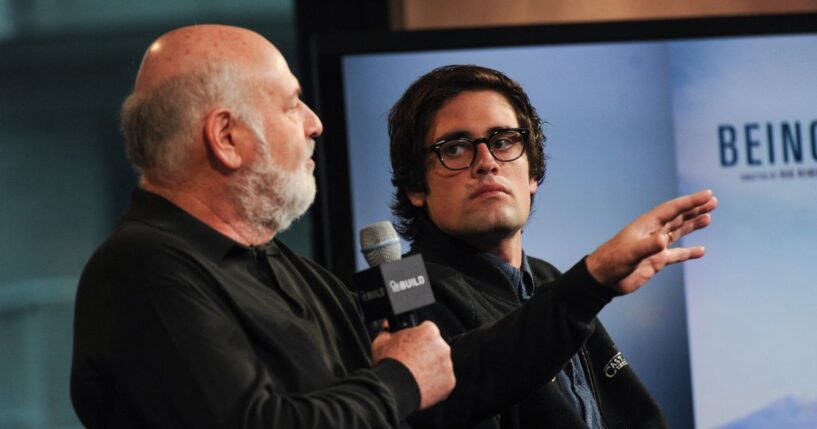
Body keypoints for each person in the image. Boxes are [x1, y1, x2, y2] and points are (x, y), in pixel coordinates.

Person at [71, 25, 715, 429]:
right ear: (228, 137)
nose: (316, 122)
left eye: (504, 142)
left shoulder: (285, 271)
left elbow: (452, 381)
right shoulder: (145, 268)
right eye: (292, 102)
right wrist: (400, 382)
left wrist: (590, 280)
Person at [388, 65, 716, 428]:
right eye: (455, 148)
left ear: (532, 174)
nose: (486, 163)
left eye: (502, 141)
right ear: (415, 186)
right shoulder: (402, 290)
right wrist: (593, 280)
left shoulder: (547, 277)